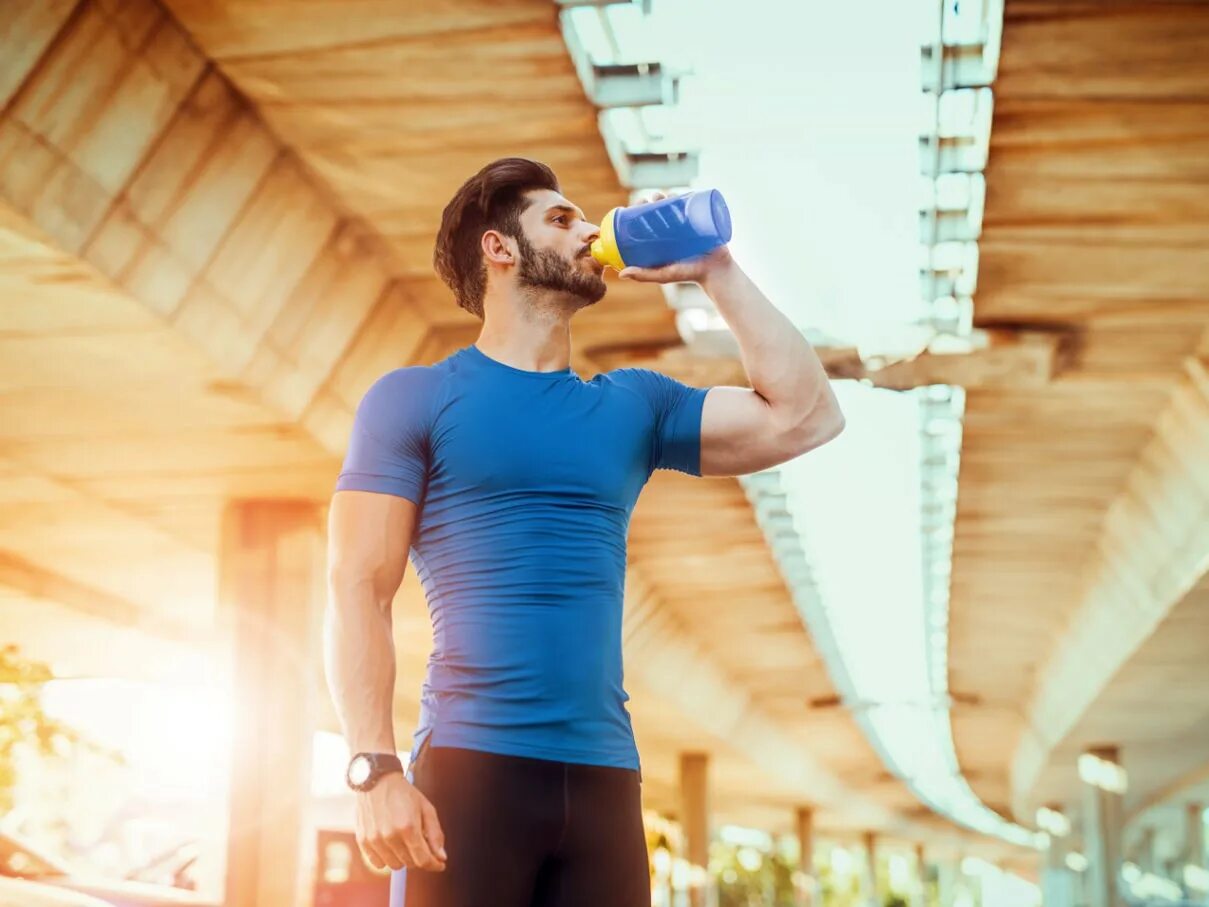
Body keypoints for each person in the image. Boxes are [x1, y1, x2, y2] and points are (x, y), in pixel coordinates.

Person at [323, 157, 844, 907]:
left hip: (604, 779)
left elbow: (807, 416)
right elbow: (355, 587)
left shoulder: (632, 404)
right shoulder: (414, 399)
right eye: (561, 219)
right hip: (470, 770)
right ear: (499, 250)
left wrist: (717, 270)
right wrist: (373, 768)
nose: (591, 231)